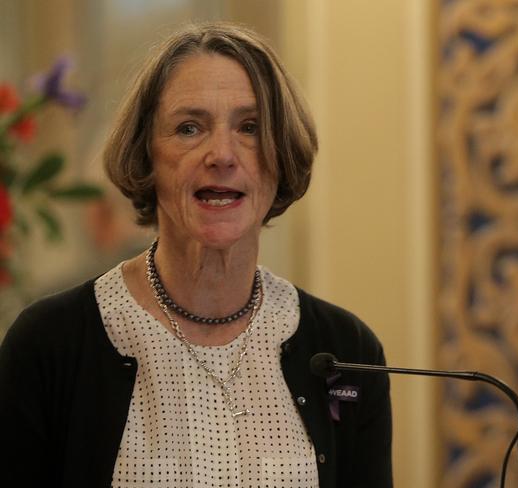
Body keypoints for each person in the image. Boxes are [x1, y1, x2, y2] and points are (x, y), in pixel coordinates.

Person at [0, 22, 392, 488]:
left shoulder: (347, 351)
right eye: (190, 128)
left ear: (281, 154)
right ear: (145, 156)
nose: (222, 154)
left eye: (250, 128)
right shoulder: (51, 343)